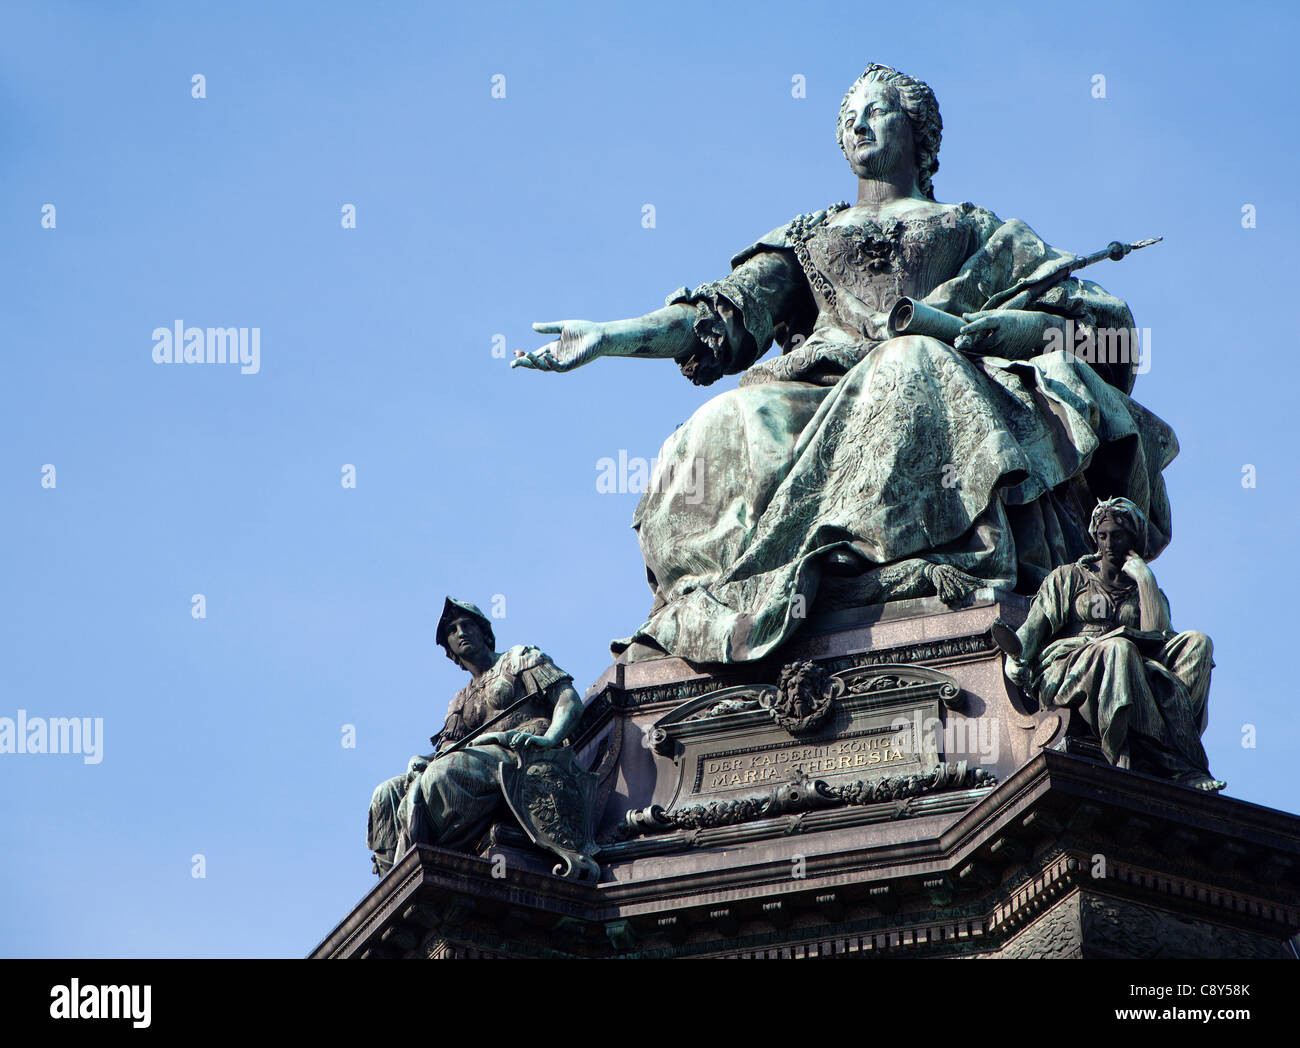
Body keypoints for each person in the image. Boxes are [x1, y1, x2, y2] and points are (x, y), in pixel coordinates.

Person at [513, 63, 1176, 665]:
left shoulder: (977, 230)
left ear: (917, 129)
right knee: (721, 422)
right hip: (818, 385)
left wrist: (1003, 329)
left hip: (937, 371)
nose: (857, 123)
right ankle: (738, 602)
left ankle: (913, 564)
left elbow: (1100, 323)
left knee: (909, 362)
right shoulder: (810, 234)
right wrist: (609, 336)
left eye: (876, 110)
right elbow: (720, 315)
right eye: (846, 116)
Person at [1004, 497, 1224, 791]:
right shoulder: (1070, 577)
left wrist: (1145, 580)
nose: (1108, 544)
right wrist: (1015, 656)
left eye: (1117, 536)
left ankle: (1167, 746)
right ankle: (1175, 763)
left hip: (1133, 663)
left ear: (1133, 539)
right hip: (1072, 667)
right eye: (1102, 535)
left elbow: (1160, 636)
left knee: (1199, 643)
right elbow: (1033, 627)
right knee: (1119, 650)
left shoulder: (1143, 587)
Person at [367, 598, 583, 875]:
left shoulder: (518, 658)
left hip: (520, 753)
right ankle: (396, 880)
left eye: (467, 625)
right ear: (450, 650)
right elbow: (446, 750)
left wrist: (551, 738)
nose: (461, 633)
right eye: (452, 631)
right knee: (387, 794)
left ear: (485, 633)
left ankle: (420, 862)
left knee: (438, 778)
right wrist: (420, 760)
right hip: (477, 759)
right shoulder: (460, 701)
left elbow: (567, 699)